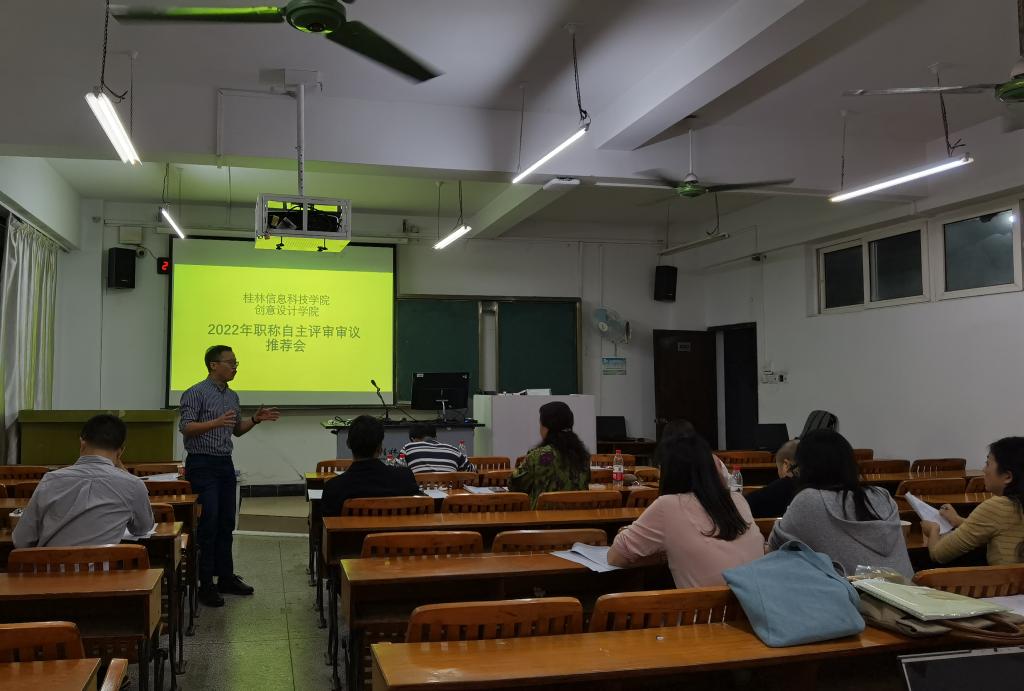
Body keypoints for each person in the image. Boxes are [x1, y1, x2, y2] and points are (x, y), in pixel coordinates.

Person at [179, 345, 280, 608]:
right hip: (201, 463)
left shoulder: (232, 396)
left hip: (225, 463)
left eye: (236, 363)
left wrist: (254, 420)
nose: (235, 367)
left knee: (226, 522)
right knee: (209, 523)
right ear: (214, 365)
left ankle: (225, 577)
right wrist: (214, 422)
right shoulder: (195, 392)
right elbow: (186, 428)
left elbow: (236, 430)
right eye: (231, 362)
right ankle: (205, 584)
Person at [607, 434, 763, 587]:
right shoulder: (737, 499)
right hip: (756, 600)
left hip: (706, 604)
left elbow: (616, 557)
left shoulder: (667, 506)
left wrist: (662, 554)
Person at [768, 429, 913, 578]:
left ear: (805, 468)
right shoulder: (882, 496)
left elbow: (774, 548)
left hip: (855, 592)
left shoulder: (809, 500)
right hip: (909, 590)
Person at [13, 414, 154, 548]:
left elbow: (21, 540)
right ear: (121, 451)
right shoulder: (133, 485)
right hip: (102, 566)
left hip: (50, 565)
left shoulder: (50, 480)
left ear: (82, 443)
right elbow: (142, 528)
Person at [922, 437, 1024, 565]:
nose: (984, 470)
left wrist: (933, 529)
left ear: (1007, 477)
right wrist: (958, 521)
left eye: (988, 464)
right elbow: (999, 526)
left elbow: (938, 554)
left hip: (1006, 579)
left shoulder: (997, 507)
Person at [321, 415, 420, 516]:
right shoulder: (405, 478)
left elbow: (327, 523)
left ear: (348, 444)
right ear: (380, 448)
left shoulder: (334, 488)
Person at [509, 401, 590, 507]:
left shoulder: (537, 456)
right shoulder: (582, 456)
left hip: (542, 516)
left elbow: (514, 485)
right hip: (579, 516)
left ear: (546, 428)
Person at [745, 440, 799, 519]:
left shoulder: (782, 487)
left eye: (778, 468)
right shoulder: (814, 485)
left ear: (786, 465)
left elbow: (743, 507)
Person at [400, 423, 477, 474]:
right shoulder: (453, 450)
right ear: (436, 436)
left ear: (413, 439)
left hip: (420, 493)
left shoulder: (408, 448)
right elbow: (473, 471)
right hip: (449, 493)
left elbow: (396, 470)